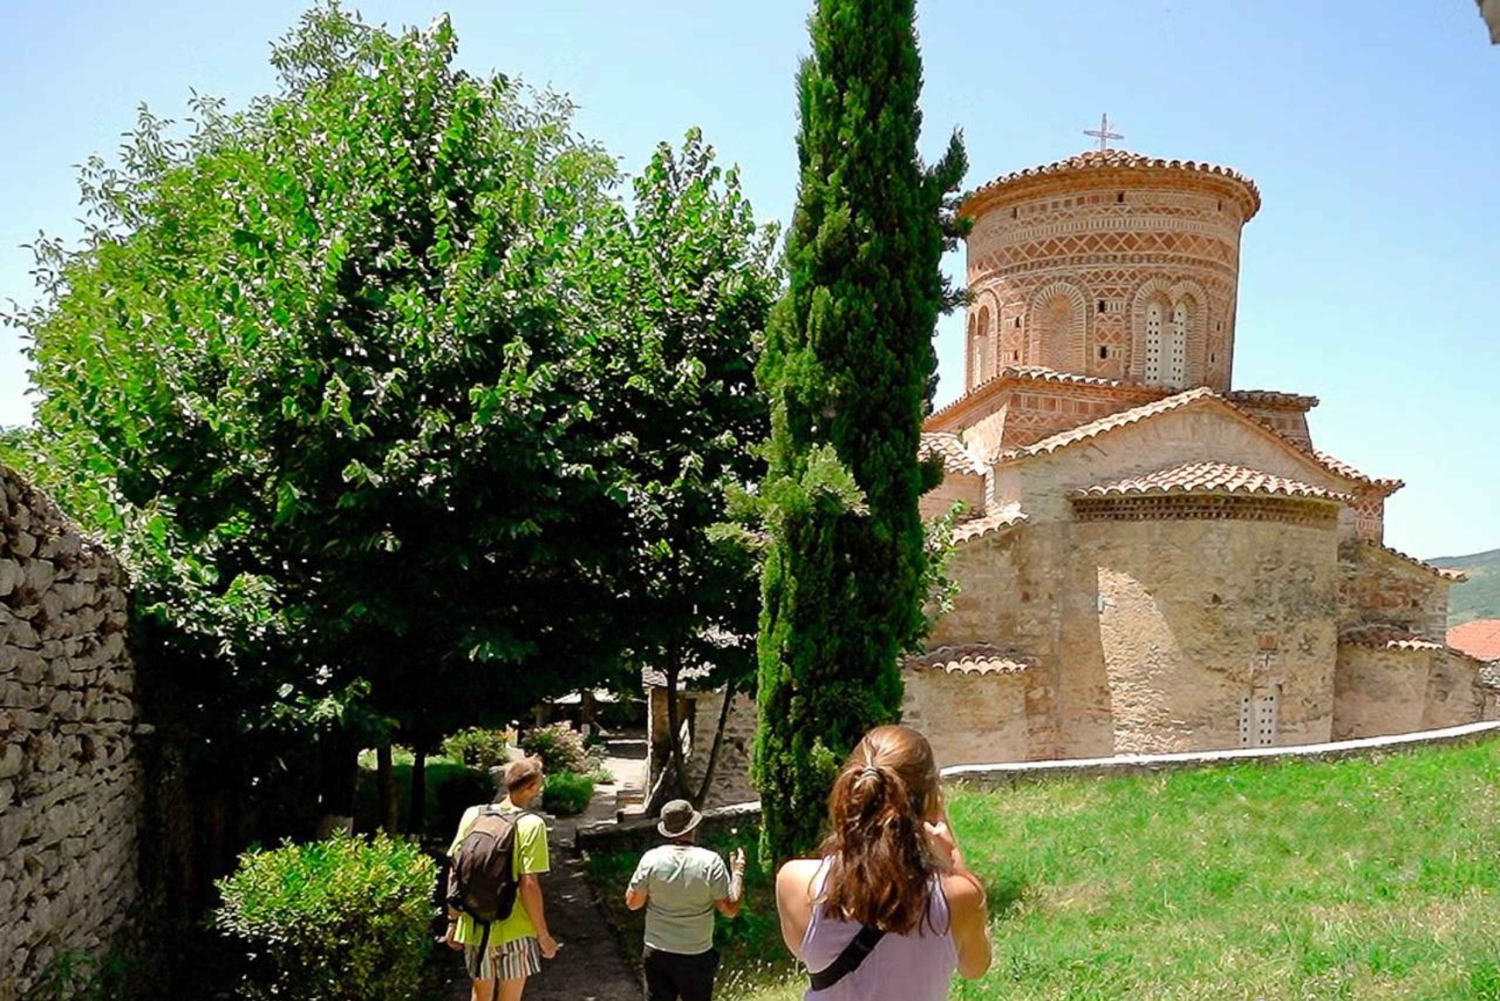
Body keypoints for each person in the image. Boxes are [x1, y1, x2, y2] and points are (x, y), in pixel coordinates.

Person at [773, 725, 991, 1000]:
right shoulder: (958, 897)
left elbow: (805, 951)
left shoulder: (794, 881)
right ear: (929, 801)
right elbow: (975, 967)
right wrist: (955, 861)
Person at [446, 756, 559, 1001]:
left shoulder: (473, 814)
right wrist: (543, 935)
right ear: (530, 788)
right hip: (515, 927)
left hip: (475, 924)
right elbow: (529, 884)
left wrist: (453, 921)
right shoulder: (531, 824)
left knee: (480, 996)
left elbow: (456, 870)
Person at [625, 798, 747, 1001]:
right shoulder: (711, 861)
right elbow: (729, 909)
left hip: (657, 951)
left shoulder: (651, 859)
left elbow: (633, 903)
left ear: (665, 829)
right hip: (696, 952)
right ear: (694, 826)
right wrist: (738, 873)